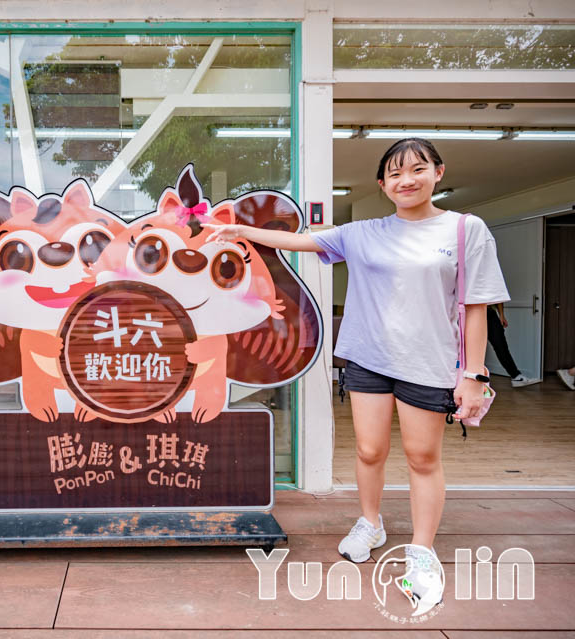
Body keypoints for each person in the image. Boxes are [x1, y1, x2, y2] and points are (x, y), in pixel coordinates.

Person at [205, 138, 509, 614]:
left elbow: (476, 308)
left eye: (417, 169)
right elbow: (299, 241)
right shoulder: (364, 232)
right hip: (368, 358)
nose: (406, 180)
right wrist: (237, 230)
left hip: (430, 364)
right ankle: (371, 522)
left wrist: (472, 373)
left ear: (438, 172)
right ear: (383, 184)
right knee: (369, 450)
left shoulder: (465, 229)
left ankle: (423, 552)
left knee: (422, 457)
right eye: (394, 174)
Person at [487, 303, 538, 387]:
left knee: (501, 346)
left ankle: (516, 376)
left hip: (490, 312)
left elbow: (499, 295)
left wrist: (501, 315)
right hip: (471, 311)